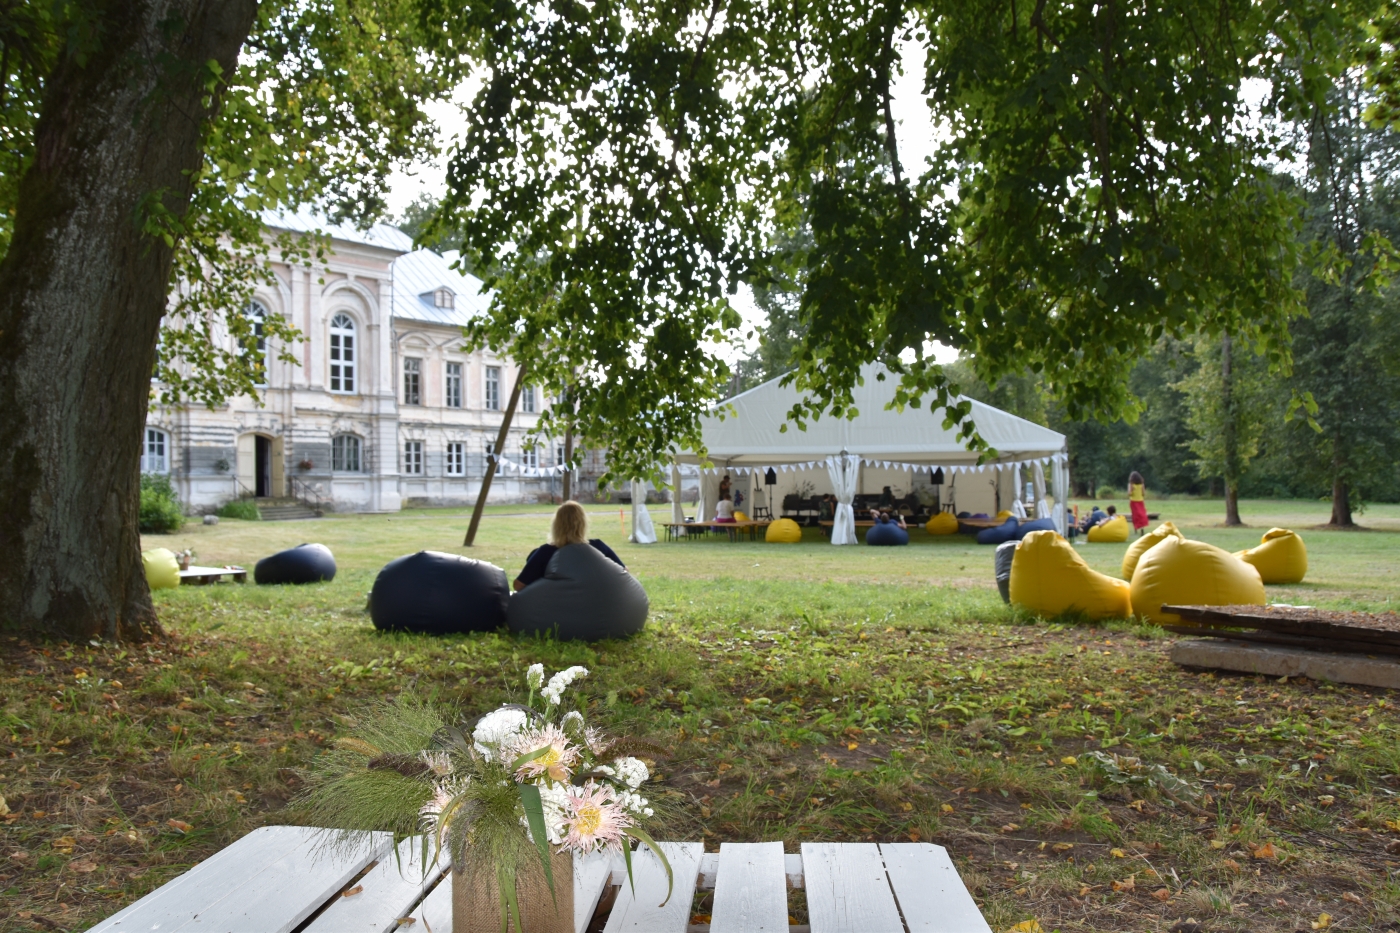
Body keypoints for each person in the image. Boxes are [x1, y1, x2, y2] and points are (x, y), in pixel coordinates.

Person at [514, 501, 624, 591]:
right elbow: (623, 572)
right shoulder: (598, 547)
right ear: (583, 523)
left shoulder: (545, 552)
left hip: (555, 607)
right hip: (595, 606)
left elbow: (519, 585)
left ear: (556, 525)